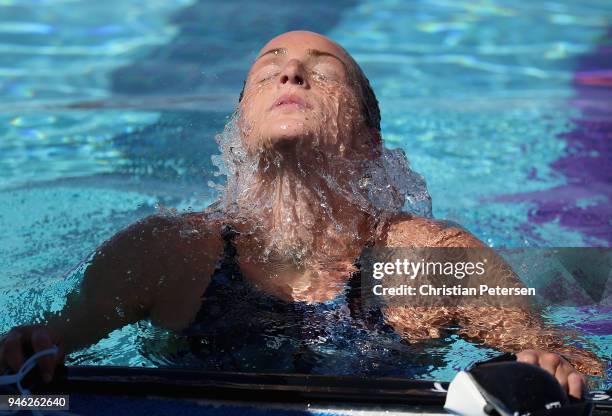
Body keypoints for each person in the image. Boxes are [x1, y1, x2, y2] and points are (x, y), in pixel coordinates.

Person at [0, 31, 603, 398]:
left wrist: (550, 366)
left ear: (368, 139)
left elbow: (571, 360)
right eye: (270, 64)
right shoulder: (166, 252)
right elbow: (45, 352)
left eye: (323, 70)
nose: (290, 71)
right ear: (239, 126)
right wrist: (30, 348)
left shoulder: (423, 260)